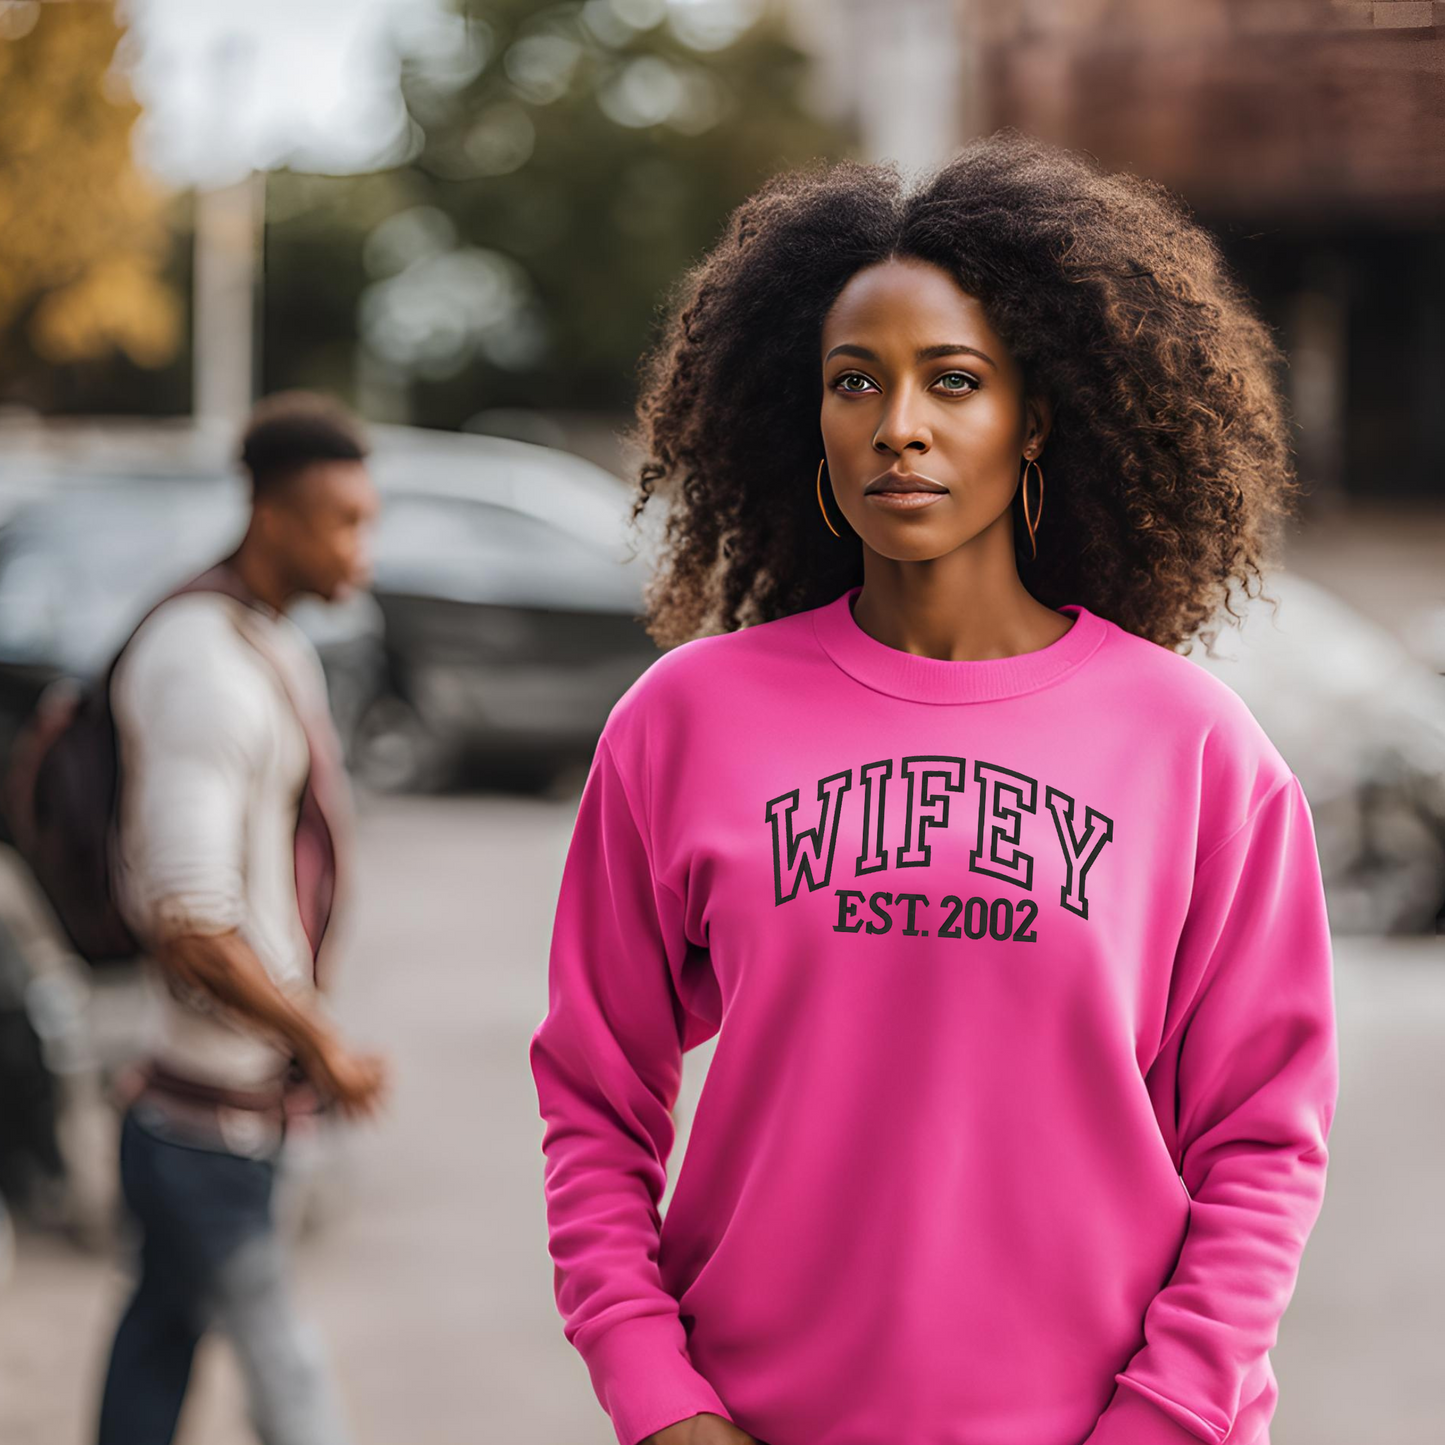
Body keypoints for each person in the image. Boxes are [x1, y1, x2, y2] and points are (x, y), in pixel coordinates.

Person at [528, 133, 1339, 1445]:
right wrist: (656, 1395)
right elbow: (593, 1094)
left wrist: (1162, 1421)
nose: (897, 424)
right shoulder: (681, 725)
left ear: (1037, 418)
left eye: (951, 381)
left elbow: (1263, 1144)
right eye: (856, 381)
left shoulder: (1194, 748)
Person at [95, 390, 391, 1445]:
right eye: (344, 520)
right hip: (204, 1120)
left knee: (157, 1338)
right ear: (271, 516)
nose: (365, 547)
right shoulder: (203, 666)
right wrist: (321, 1040)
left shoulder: (266, 640)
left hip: (214, 1112)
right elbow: (190, 919)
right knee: (293, 1388)